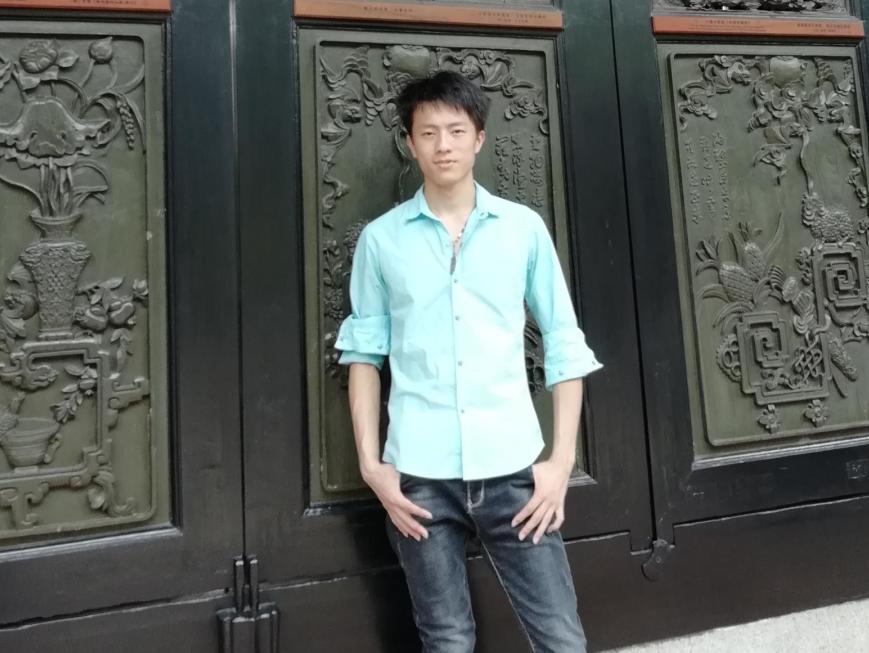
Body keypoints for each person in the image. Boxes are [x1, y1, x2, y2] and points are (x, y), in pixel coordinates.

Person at [335, 70, 602, 653]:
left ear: (479, 138)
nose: (443, 145)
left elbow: (564, 342)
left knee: (560, 636)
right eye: (428, 132)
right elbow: (364, 356)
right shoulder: (381, 240)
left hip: (512, 472)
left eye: (456, 131)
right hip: (420, 480)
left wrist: (561, 463)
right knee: (447, 638)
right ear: (410, 143)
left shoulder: (523, 229)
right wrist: (372, 467)